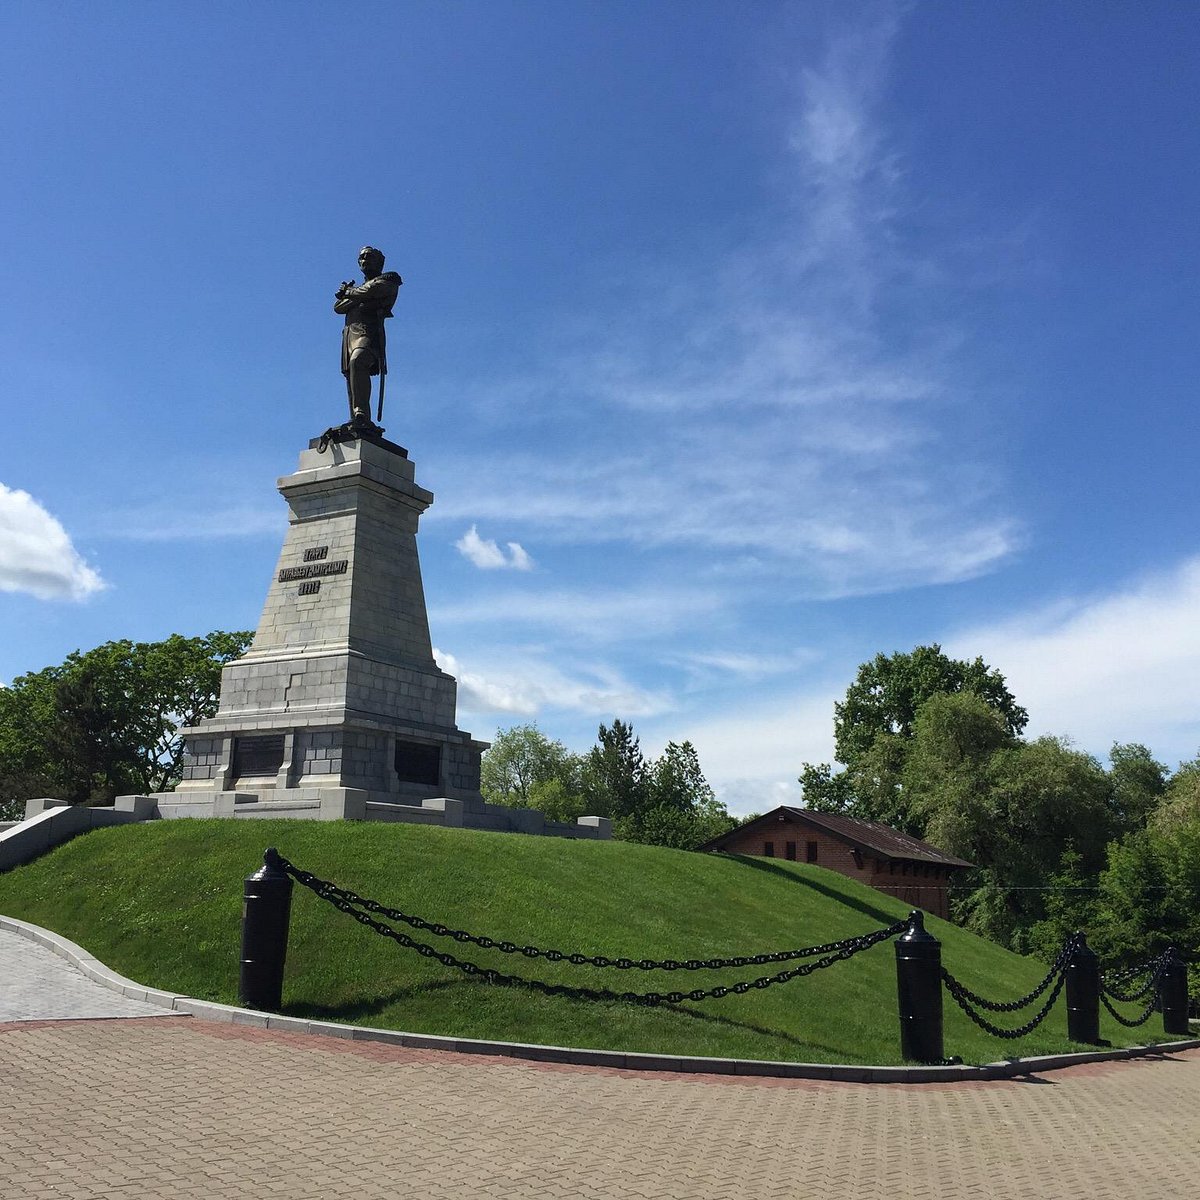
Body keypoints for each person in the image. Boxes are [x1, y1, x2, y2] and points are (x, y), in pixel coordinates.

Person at [334, 246, 402, 427]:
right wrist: (356, 294)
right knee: (351, 374)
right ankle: (359, 417)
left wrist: (350, 293)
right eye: (362, 257)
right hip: (350, 334)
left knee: (359, 361)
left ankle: (361, 412)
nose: (365, 260)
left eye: (369, 257)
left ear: (380, 262)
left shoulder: (390, 279)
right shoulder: (361, 287)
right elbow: (338, 307)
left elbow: (372, 291)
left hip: (369, 332)